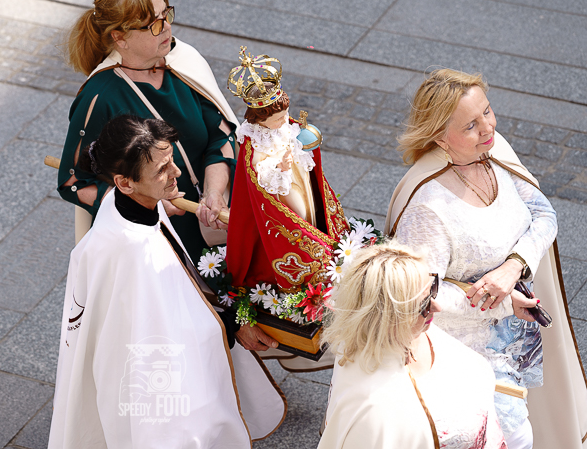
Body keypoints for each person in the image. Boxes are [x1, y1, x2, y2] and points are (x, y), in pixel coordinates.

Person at [49, 115, 285, 448]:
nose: (175, 173)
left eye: (171, 160)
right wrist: (233, 325)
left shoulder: (127, 205)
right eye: (162, 170)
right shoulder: (130, 252)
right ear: (125, 182)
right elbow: (162, 334)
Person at [386, 68, 587, 448]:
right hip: (467, 354)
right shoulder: (428, 209)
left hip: (516, 342)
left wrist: (513, 267)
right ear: (438, 137)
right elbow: (421, 296)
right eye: (471, 125)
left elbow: (544, 216)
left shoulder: (492, 152)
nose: (488, 128)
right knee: (514, 438)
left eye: (488, 112)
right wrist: (502, 303)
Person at [58, 0, 237, 259]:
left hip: (212, 221)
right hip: (152, 242)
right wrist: (148, 204)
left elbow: (220, 136)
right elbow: (74, 184)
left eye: (166, 15)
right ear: (119, 37)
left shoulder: (184, 61)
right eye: (152, 24)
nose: (166, 28)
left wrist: (215, 193)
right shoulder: (99, 97)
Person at [224, 47, 350, 362]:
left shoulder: (284, 127)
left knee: (311, 206)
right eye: (277, 117)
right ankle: (311, 282)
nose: (283, 121)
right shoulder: (254, 147)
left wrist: (300, 146)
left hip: (298, 176)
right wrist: (280, 167)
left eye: (284, 115)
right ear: (259, 118)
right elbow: (263, 181)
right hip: (282, 190)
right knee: (298, 215)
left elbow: (301, 144)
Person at [319, 243, 507, 449]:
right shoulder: (375, 412)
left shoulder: (407, 333)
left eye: (433, 288)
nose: (437, 306)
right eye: (422, 305)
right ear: (386, 318)